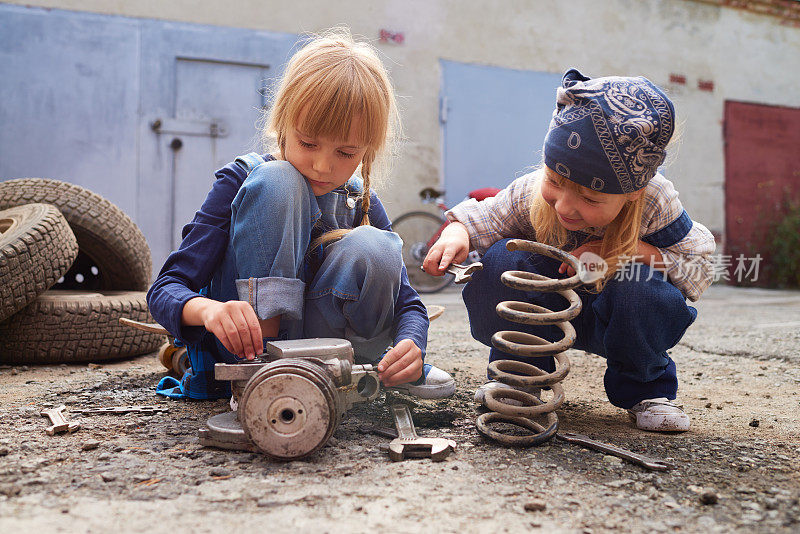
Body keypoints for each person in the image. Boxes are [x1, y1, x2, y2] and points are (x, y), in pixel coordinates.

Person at [147, 30, 454, 401]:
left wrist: (410, 343)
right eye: (308, 143)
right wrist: (210, 311)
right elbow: (165, 290)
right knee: (280, 181)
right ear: (282, 121)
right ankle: (262, 374)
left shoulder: (360, 201)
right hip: (248, 351)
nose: (323, 166)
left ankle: (366, 373)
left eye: (346, 153)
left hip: (332, 358)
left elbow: (409, 303)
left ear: (367, 151)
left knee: (376, 244)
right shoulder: (242, 180)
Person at [423, 69, 715, 432]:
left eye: (590, 198)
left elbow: (699, 263)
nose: (564, 206)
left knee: (641, 286)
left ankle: (645, 388)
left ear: (634, 192)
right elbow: (482, 217)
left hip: (620, 317)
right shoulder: (531, 190)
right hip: (542, 312)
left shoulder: (655, 203)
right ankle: (519, 374)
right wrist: (456, 232)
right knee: (501, 259)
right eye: (555, 182)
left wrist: (631, 250)